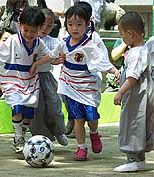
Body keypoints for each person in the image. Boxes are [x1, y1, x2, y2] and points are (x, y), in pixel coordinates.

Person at [51, 4, 119, 161]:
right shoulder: (63, 42)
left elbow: (102, 62)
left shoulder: (90, 45)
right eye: (70, 24)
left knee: (92, 118)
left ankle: (94, 133)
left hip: (88, 89)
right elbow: (53, 58)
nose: (74, 28)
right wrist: (41, 62)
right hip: (70, 87)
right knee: (78, 119)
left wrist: (114, 71)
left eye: (79, 24)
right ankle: (81, 148)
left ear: (87, 24)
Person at [0, 6, 64, 153]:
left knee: (29, 115)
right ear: (20, 25)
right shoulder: (12, 40)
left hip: (30, 80)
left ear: (39, 28)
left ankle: (22, 134)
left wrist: (54, 60)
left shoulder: (39, 42)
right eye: (26, 30)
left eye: (33, 31)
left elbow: (49, 56)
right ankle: (18, 138)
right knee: (17, 107)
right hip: (13, 78)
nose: (30, 34)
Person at [113, 11, 154, 172]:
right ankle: (139, 159)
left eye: (122, 35)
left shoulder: (136, 53)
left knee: (132, 123)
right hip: (141, 93)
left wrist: (120, 92)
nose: (122, 38)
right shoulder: (143, 49)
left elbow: (133, 76)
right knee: (139, 122)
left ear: (130, 33)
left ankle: (133, 158)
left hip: (137, 95)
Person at [30, 8, 68, 146]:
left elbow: (55, 57)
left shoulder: (52, 41)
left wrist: (57, 60)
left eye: (49, 26)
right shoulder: (30, 39)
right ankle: (43, 137)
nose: (45, 28)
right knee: (37, 109)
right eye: (43, 25)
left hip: (46, 76)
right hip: (31, 78)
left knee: (55, 105)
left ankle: (59, 130)